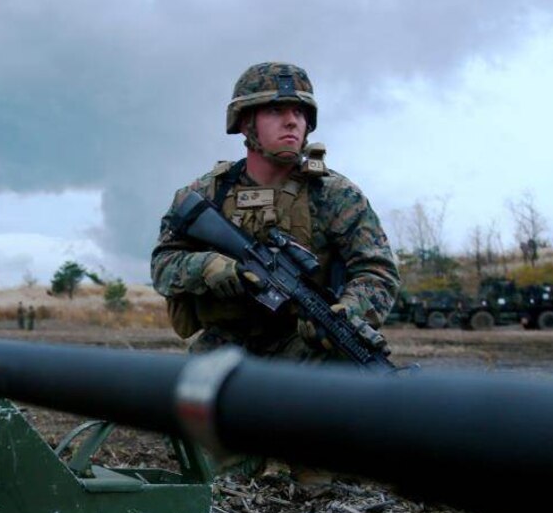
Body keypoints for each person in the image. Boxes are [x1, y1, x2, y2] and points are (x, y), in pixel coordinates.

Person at [151, 62, 400, 360]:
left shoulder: (334, 194)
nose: (291, 121)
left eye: (299, 112)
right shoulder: (207, 193)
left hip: (305, 347)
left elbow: (377, 271)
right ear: (246, 123)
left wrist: (344, 314)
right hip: (224, 344)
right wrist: (207, 267)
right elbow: (163, 265)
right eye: (275, 111)